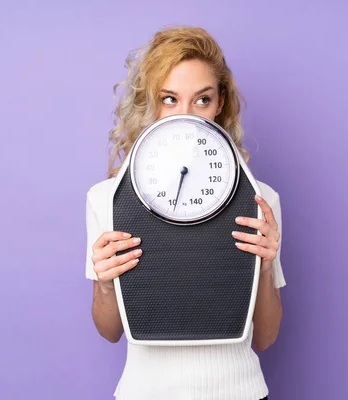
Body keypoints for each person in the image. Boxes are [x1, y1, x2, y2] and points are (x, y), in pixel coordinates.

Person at [85, 26, 286, 400]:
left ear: (220, 103)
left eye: (202, 99)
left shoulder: (260, 198)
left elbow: (266, 337)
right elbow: (110, 331)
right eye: (170, 99)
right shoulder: (107, 199)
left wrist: (265, 265)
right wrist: (105, 283)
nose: (186, 115)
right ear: (151, 102)